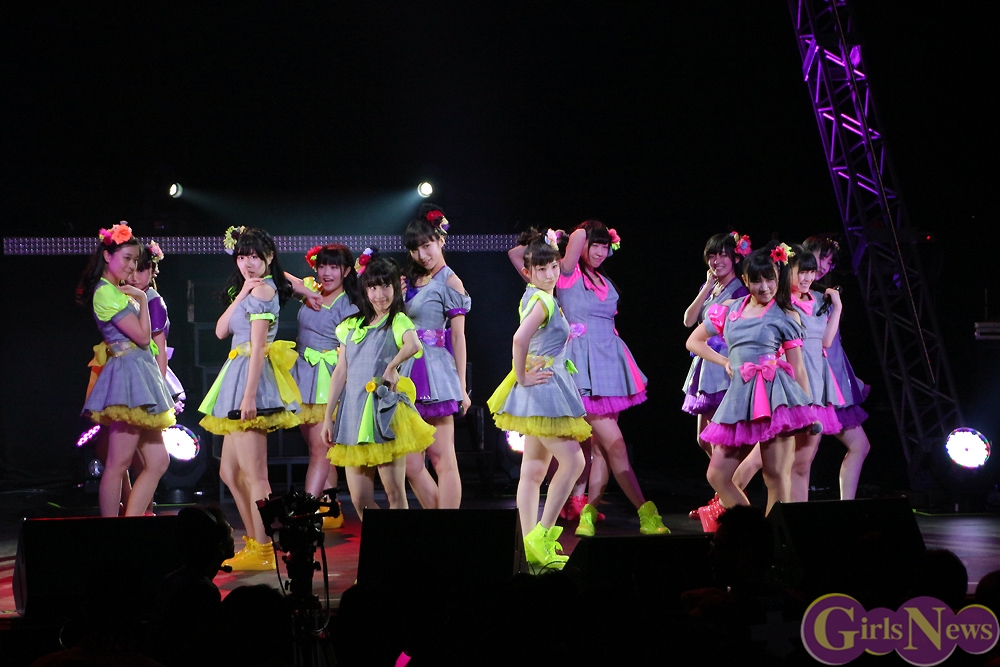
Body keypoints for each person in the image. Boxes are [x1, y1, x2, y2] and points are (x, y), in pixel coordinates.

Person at [546, 220, 668, 536]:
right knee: (616, 444)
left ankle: (588, 513)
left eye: (605, 245)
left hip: (610, 365)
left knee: (601, 449)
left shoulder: (603, 279)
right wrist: (583, 231)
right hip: (583, 367)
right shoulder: (568, 273)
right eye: (594, 245)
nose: (600, 252)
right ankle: (646, 512)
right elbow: (575, 243)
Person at [686, 243, 817, 524]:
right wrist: (725, 362)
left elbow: (798, 368)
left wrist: (807, 411)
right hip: (739, 398)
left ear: (778, 278)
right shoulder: (729, 310)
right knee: (717, 474)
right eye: (757, 280)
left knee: (775, 477)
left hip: (775, 397)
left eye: (770, 279)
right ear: (745, 280)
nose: (764, 286)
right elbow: (693, 341)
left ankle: (774, 541)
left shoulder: (785, 314)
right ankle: (754, 529)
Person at [198, 226, 301, 571]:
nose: (247, 263)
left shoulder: (265, 291)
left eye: (255, 257)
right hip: (236, 376)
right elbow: (220, 330)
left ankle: (266, 548)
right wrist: (241, 292)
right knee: (229, 471)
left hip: (250, 380)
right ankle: (256, 540)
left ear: (269, 258)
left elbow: (258, 348)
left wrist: (249, 396)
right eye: (242, 257)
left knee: (256, 474)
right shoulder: (250, 290)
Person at [489, 229, 591, 568]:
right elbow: (519, 339)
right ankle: (542, 535)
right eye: (541, 269)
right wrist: (521, 375)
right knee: (574, 463)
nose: (549, 274)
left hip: (545, 385)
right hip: (544, 388)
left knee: (533, 470)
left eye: (553, 267)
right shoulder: (542, 300)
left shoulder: (536, 295)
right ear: (528, 272)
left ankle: (526, 544)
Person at [321, 252, 435, 518]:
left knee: (395, 495)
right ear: (365, 289)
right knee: (360, 499)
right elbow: (340, 372)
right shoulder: (351, 325)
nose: (379, 294)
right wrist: (328, 416)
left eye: (385, 286)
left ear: (395, 287)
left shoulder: (398, 320)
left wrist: (391, 366)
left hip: (384, 413)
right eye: (372, 287)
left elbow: (413, 345)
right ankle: (382, 541)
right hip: (353, 414)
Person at [730, 245, 844, 503]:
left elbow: (825, 342)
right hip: (788, 386)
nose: (807, 277)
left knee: (802, 463)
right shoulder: (782, 306)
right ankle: (726, 502)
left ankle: (793, 518)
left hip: (815, 382)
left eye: (811, 272)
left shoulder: (816, 300)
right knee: (767, 461)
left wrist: (836, 308)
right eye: (801, 271)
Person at [77, 221, 174, 517]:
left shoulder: (119, 291)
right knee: (118, 464)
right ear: (108, 256)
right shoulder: (106, 292)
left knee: (158, 461)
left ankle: (132, 521)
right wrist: (142, 298)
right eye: (127, 258)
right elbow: (143, 337)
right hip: (128, 375)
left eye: (135, 260)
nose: (132, 266)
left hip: (140, 373)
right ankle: (115, 531)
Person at [400, 205, 472, 509]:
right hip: (406, 370)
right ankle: (438, 522)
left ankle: (446, 527)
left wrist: (461, 387)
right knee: (410, 464)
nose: (422, 254)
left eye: (427, 245)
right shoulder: (408, 280)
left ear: (441, 240)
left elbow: (458, 337)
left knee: (443, 459)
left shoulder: (450, 282)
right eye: (415, 249)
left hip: (435, 372)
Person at [287, 243, 360, 527]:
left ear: (347, 271)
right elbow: (278, 276)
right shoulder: (310, 289)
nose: (327, 272)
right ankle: (330, 508)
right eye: (322, 266)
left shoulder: (349, 305)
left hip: (328, 379)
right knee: (319, 449)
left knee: (320, 450)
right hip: (302, 375)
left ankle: (305, 513)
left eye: (334, 267)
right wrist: (307, 292)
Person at [682, 232, 751, 519]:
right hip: (706, 366)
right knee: (704, 439)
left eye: (723, 254)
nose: (717, 260)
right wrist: (707, 287)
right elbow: (688, 320)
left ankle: (727, 498)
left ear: (735, 257)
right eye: (712, 255)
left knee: (721, 441)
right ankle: (723, 494)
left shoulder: (739, 291)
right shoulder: (711, 288)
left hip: (724, 368)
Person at [803, 235, 871, 499]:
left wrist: (850, 379)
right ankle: (728, 498)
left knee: (860, 446)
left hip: (834, 385)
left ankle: (847, 507)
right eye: (822, 257)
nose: (825, 265)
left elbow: (833, 345)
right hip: (814, 386)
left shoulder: (824, 295)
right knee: (800, 458)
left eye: (830, 262)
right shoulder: (802, 296)